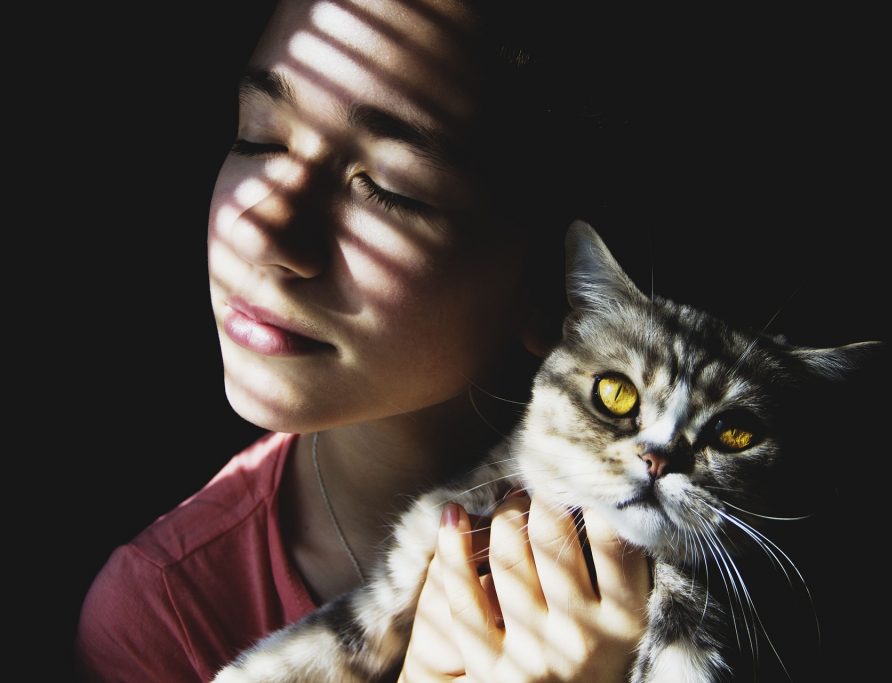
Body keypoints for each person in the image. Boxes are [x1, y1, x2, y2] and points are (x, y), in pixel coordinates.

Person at [74, 1, 650, 681]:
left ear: (558, 284)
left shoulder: (709, 526)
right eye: (259, 138)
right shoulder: (167, 617)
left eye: (388, 188)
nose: (266, 232)